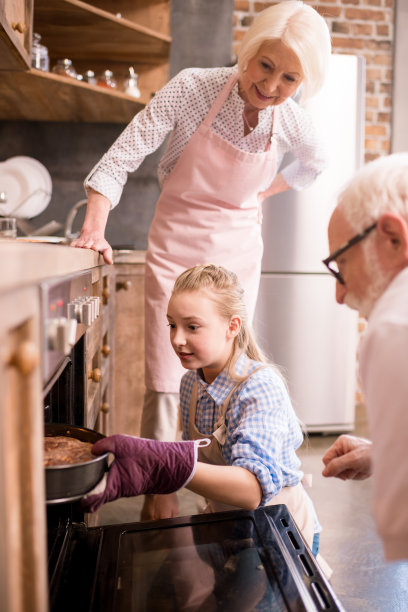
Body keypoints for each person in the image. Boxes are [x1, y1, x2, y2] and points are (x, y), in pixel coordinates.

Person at [72, 1, 331, 519]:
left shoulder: (294, 122)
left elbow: (316, 164)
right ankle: (158, 491)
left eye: (290, 77)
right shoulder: (194, 88)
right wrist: (93, 225)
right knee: (168, 370)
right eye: (265, 65)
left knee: (229, 368)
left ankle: (231, 484)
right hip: (176, 240)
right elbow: (127, 151)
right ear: (249, 48)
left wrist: (263, 194)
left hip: (237, 247)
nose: (272, 84)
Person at [83, 264, 322, 557]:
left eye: (192, 327)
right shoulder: (190, 384)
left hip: (280, 535)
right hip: (227, 525)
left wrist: (166, 466)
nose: (177, 339)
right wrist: (164, 488)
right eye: (172, 324)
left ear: (231, 327)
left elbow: (252, 490)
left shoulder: (258, 388)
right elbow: (195, 450)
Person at [320, 152, 408, 561]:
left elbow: (402, 529)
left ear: (393, 236)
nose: (340, 294)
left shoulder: (394, 327)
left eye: (342, 265)